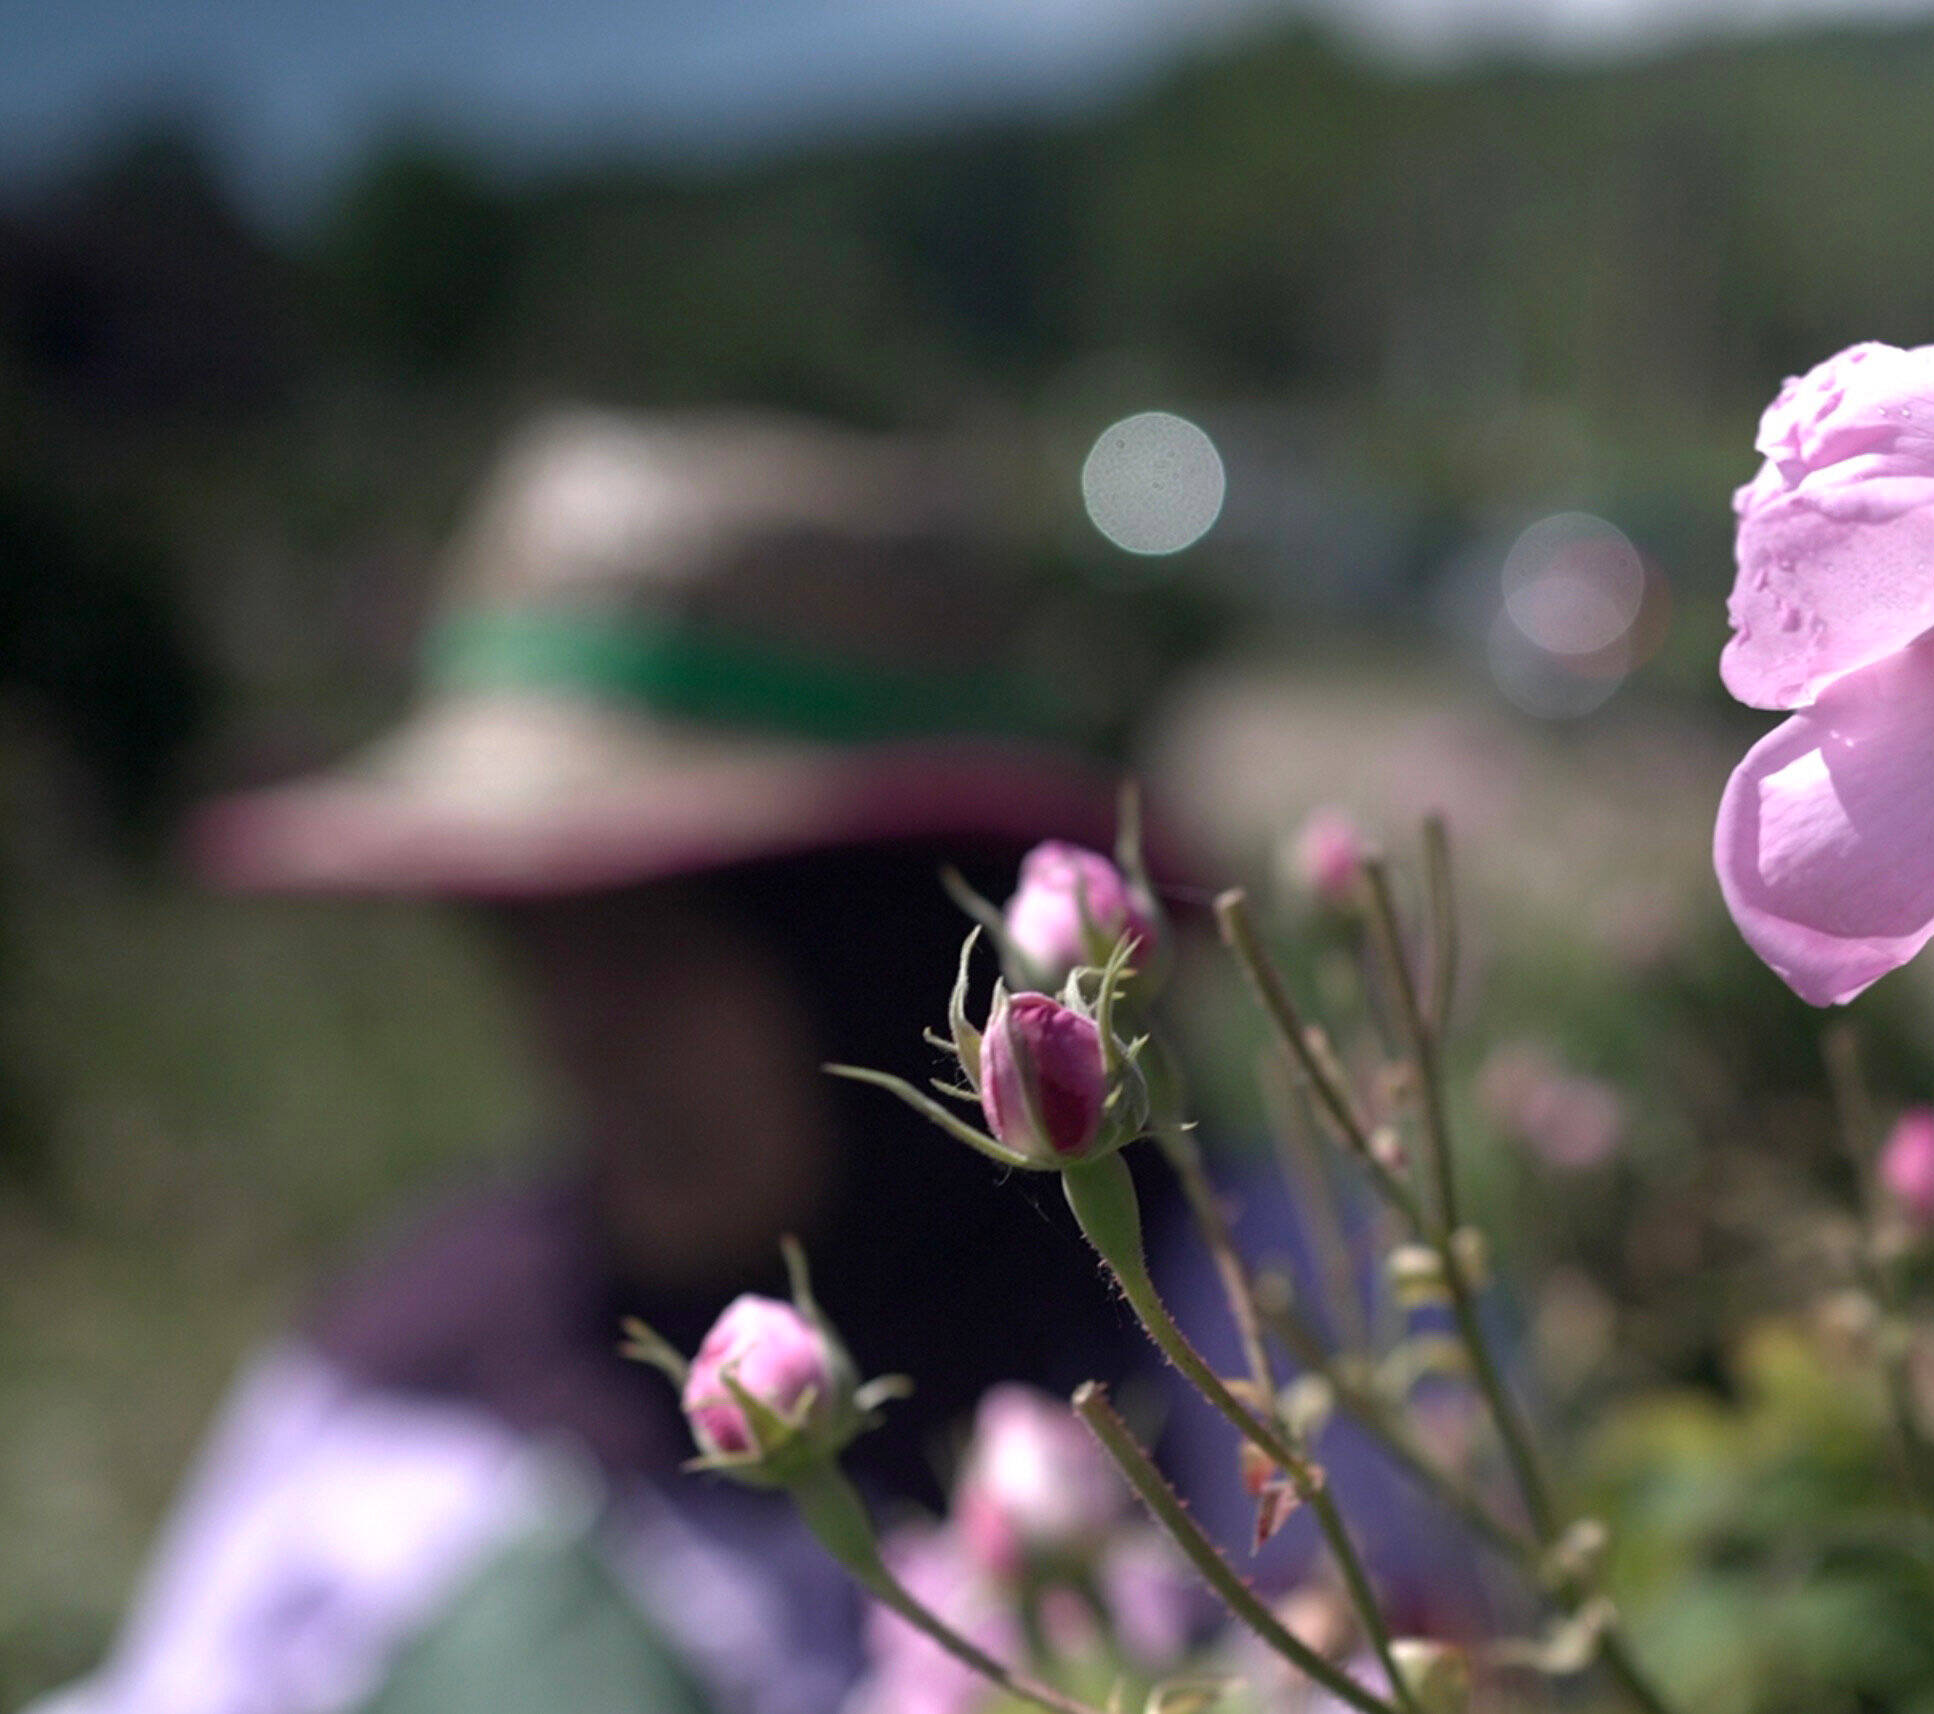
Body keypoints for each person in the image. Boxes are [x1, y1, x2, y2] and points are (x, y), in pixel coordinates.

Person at [38, 407, 1172, 1714]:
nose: (577, 1024)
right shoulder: (404, 1387)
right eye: (532, 935)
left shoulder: (1235, 1315)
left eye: (655, 937)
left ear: (877, 945)